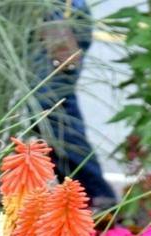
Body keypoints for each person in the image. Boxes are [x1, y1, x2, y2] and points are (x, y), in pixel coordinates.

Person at [34, 0, 118, 210]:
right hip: (49, 15)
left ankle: (96, 199)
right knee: (45, 111)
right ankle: (77, 201)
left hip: (55, 16)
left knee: (51, 107)